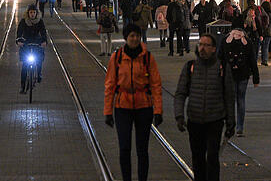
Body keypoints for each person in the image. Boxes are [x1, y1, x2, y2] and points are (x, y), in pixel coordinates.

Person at [104, 23, 163, 181]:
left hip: (144, 107)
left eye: (137, 35)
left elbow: (156, 85)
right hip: (122, 107)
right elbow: (110, 85)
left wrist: (158, 111)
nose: (135, 38)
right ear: (126, 38)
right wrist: (108, 112)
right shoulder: (116, 58)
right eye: (131, 35)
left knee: (142, 149)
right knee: (124, 148)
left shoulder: (148, 58)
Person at [174, 33, 235, 181]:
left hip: (215, 119)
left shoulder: (222, 68)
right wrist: (179, 115)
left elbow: (229, 96)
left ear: (214, 49)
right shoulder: (190, 67)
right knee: (198, 158)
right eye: (200, 44)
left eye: (207, 45)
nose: (202, 48)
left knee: (212, 157)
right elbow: (180, 93)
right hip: (195, 121)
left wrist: (231, 121)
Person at [217, 29, 259, 136]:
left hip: (229, 75)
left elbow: (219, 58)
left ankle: (230, 125)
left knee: (230, 101)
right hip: (243, 74)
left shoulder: (225, 41)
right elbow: (253, 61)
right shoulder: (247, 42)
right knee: (241, 100)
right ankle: (240, 127)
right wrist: (256, 78)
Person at [16, 5, 47, 92]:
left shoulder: (40, 21)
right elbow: (19, 32)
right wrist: (19, 41)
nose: (32, 14)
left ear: (36, 13)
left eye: (34, 12)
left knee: (39, 58)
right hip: (26, 42)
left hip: (37, 41)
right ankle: (22, 86)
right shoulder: (23, 21)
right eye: (31, 12)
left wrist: (44, 41)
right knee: (25, 65)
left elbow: (43, 31)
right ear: (28, 13)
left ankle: (39, 73)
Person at [259, 0, 271, 66]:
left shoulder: (260, 14)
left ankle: (259, 59)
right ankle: (264, 60)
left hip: (261, 32)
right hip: (268, 32)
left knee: (260, 46)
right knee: (266, 47)